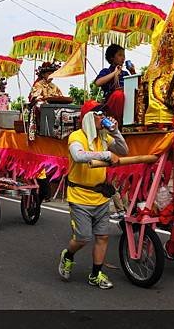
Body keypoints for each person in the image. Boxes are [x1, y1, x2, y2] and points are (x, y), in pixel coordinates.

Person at [58, 102, 128, 289]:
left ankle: (96, 274)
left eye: (103, 113)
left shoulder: (104, 137)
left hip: (101, 197)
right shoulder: (76, 136)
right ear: (89, 117)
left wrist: (115, 131)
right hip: (80, 197)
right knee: (82, 238)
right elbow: (79, 156)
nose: (102, 116)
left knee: (102, 237)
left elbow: (123, 150)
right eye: (98, 113)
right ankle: (68, 254)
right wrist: (106, 154)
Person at [94, 44, 136, 125]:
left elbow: (135, 87)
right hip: (111, 105)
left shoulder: (125, 73)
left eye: (124, 56)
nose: (123, 58)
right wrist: (114, 73)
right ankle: (117, 123)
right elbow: (97, 82)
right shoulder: (106, 71)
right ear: (111, 58)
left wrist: (133, 72)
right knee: (118, 95)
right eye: (120, 55)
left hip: (126, 104)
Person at [27, 61, 63, 140]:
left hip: (54, 106)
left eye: (52, 74)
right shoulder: (38, 84)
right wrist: (45, 100)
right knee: (41, 105)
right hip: (43, 107)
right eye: (49, 74)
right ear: (43, 74)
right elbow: (35, 97)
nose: (51, 76)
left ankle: (58, 131)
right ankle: (43, 130)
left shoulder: (54, 86)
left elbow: (60, 96)